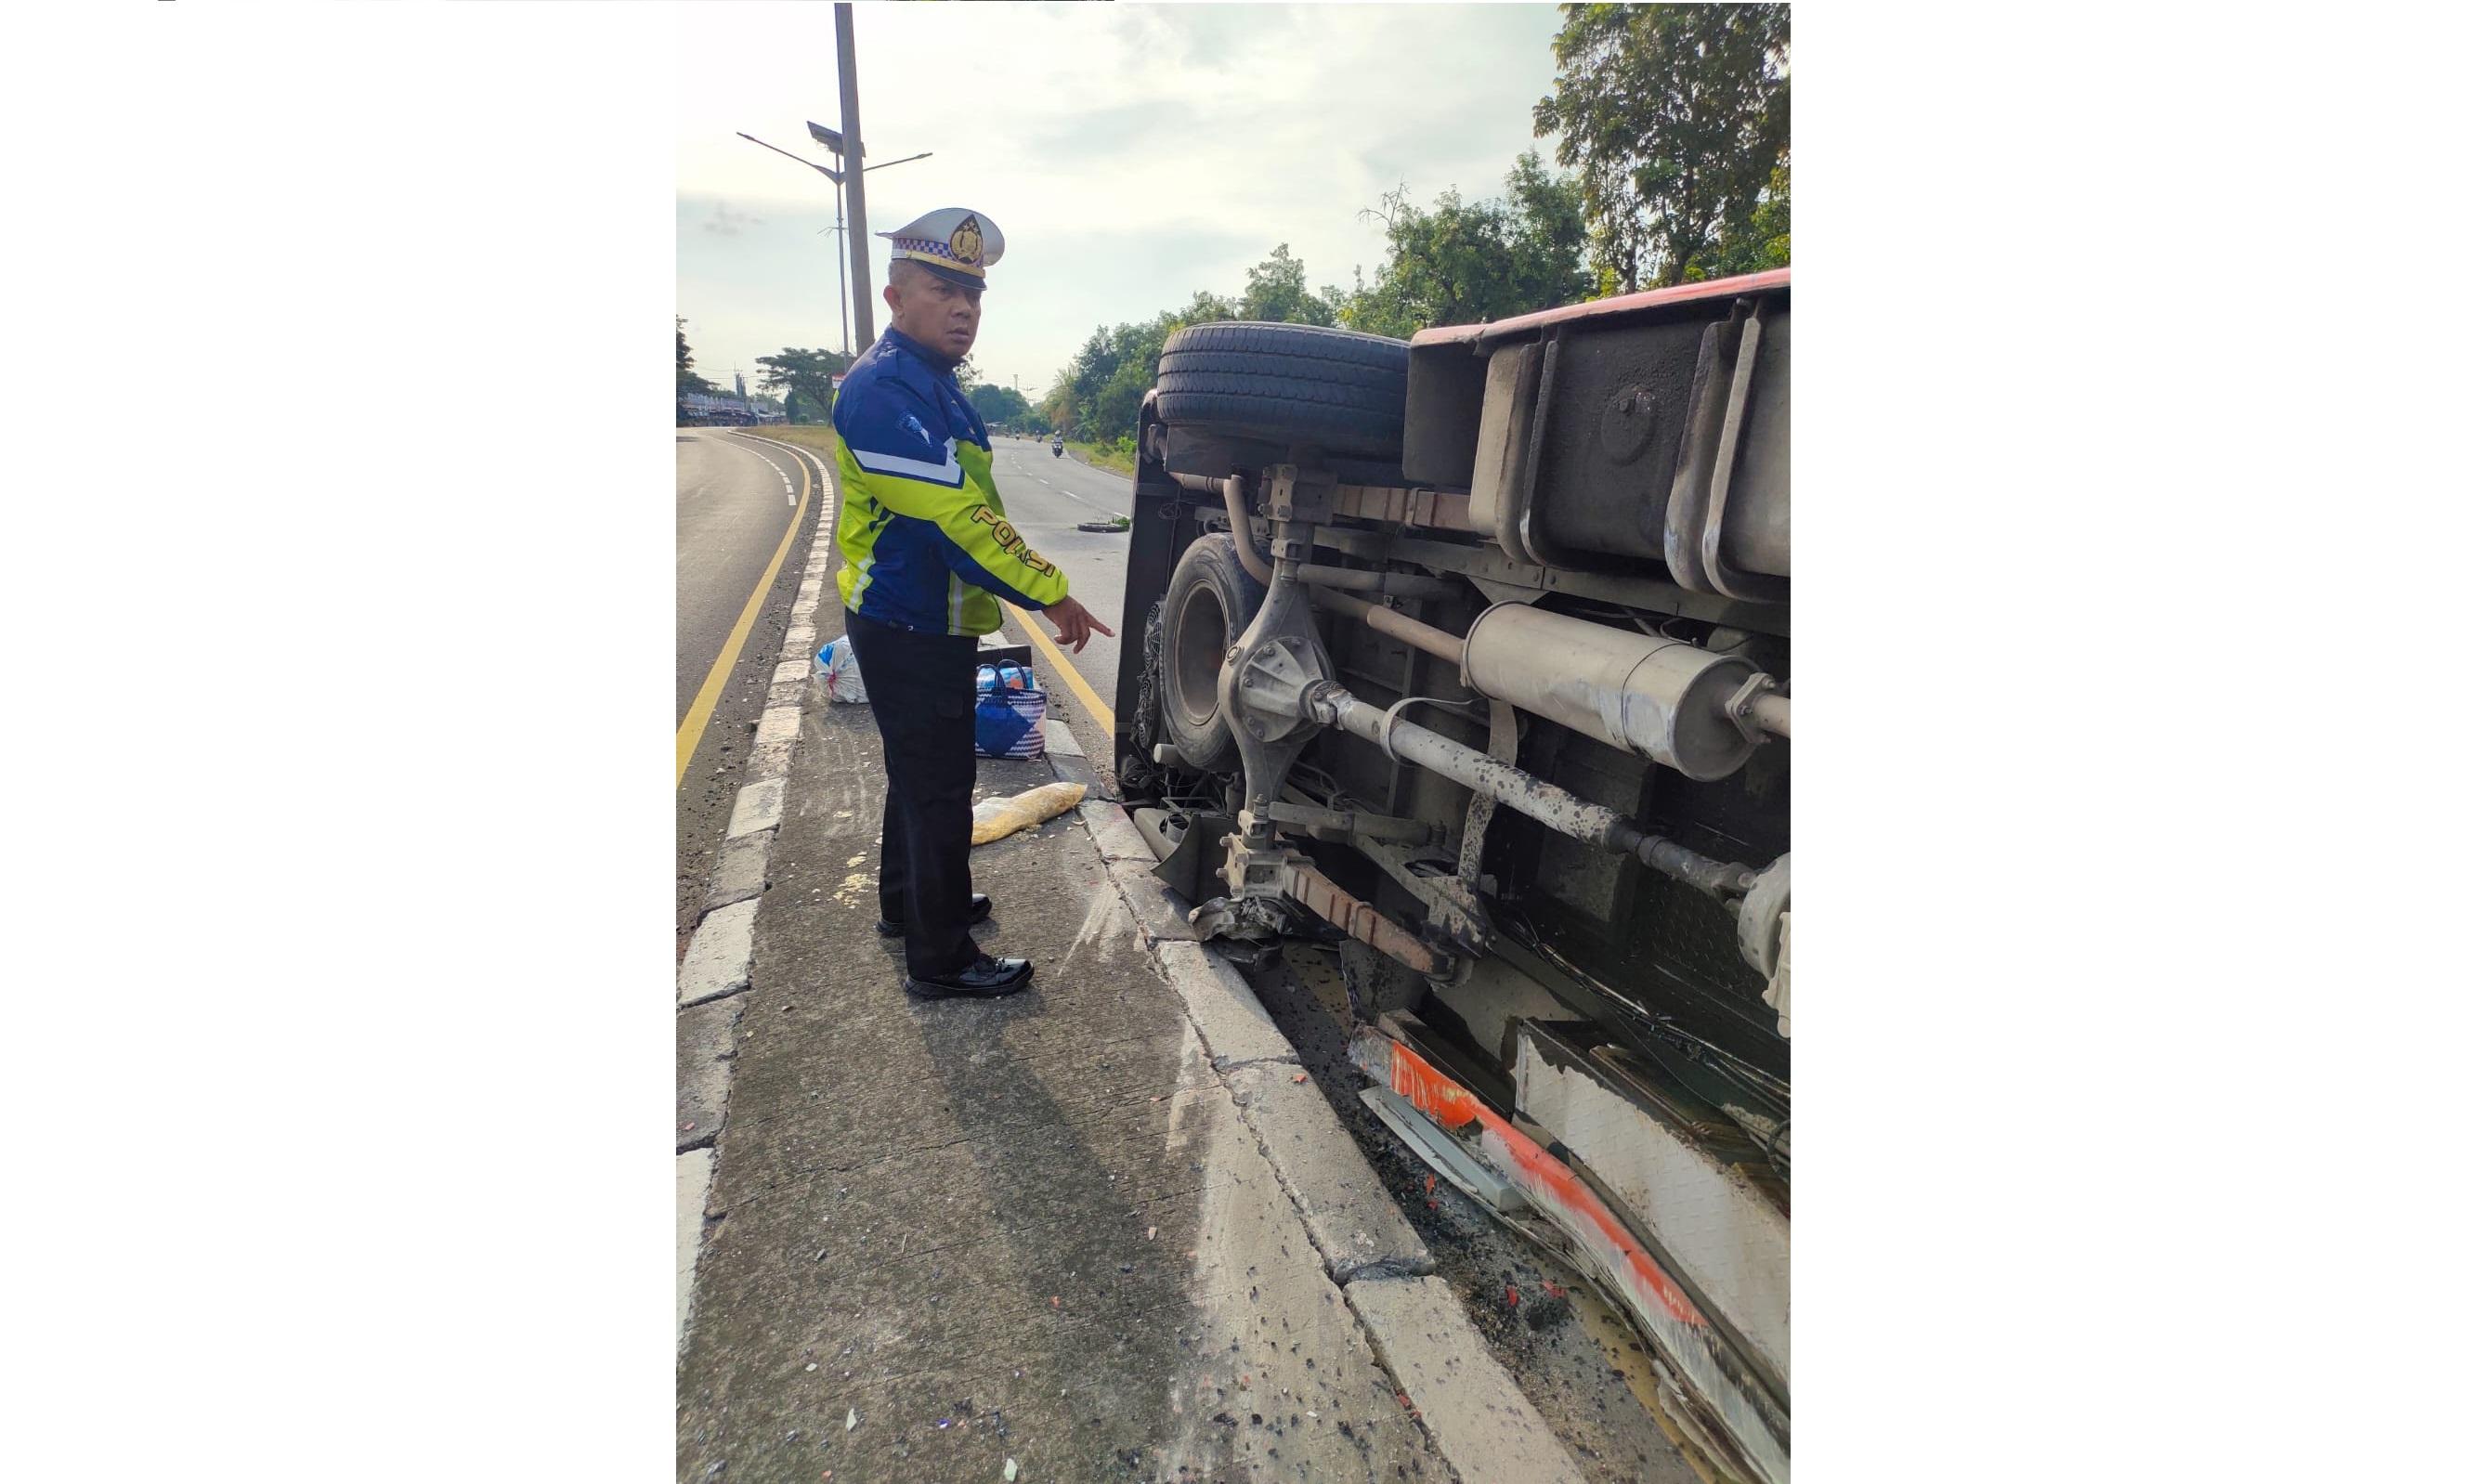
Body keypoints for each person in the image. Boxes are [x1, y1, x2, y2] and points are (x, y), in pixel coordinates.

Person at [829, 207, 1114, 1000]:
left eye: (973, 295)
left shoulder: (934, 387)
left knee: (918, 780)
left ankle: (913, 904)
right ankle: (942, 956)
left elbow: (970, 509)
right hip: (909, 619)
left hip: (920, 617)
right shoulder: (885, 391)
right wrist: (1052, 593)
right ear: (896, 295)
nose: (963, 308)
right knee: (940, 788)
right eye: (942, 290)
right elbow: (960, 522)